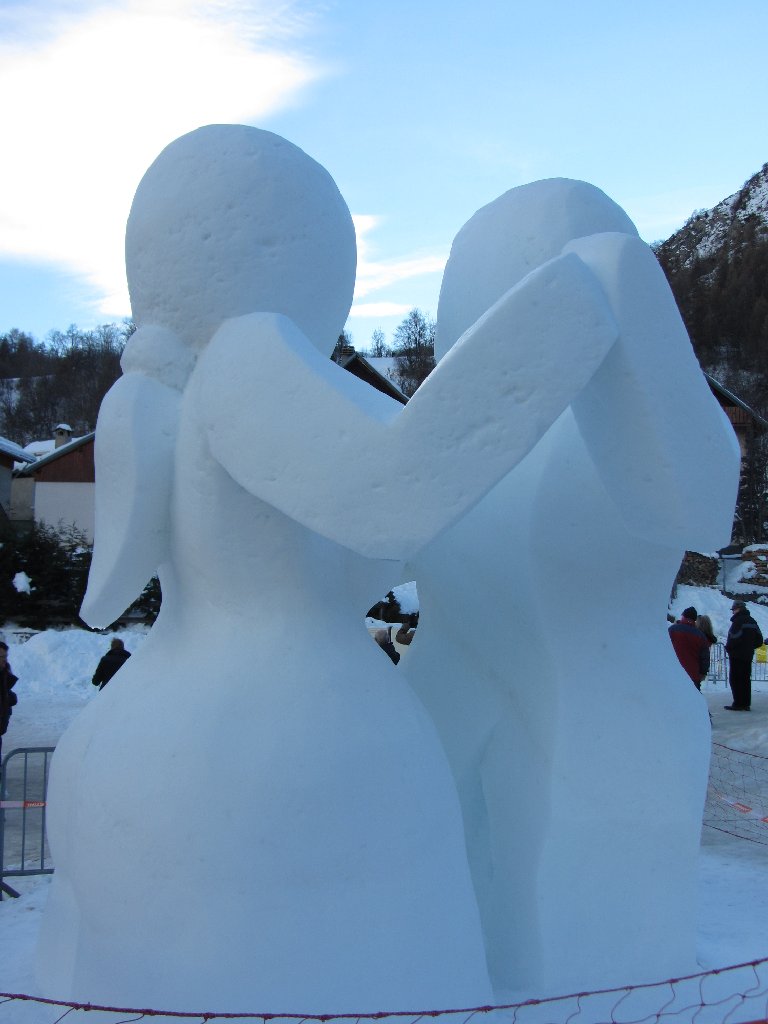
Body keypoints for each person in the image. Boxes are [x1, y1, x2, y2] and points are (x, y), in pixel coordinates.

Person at [724, 600, 763, 711]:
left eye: (734, 610)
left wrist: (729, 648)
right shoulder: (752, 621)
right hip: (748, 655)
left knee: (735, 679)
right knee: (745, 679)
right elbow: (759, 640)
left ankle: (738, 703)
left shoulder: (737, 622)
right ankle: (746, 703)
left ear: (739, 609)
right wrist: (749, 646)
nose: (733, 612)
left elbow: (733, 638)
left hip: (736, 655)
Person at [669, 606, 710, 690]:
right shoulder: (700, 635)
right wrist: (703, 672)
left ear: (683, 616)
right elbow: (705, 657)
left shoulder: (671, 630)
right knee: (693, 701)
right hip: (693, 675)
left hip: (673, 674)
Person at [0, 640, 19, 771]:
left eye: (5, 657)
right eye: (1, 657)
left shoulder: (4, 675)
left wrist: (9, 697)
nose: (4, 660)